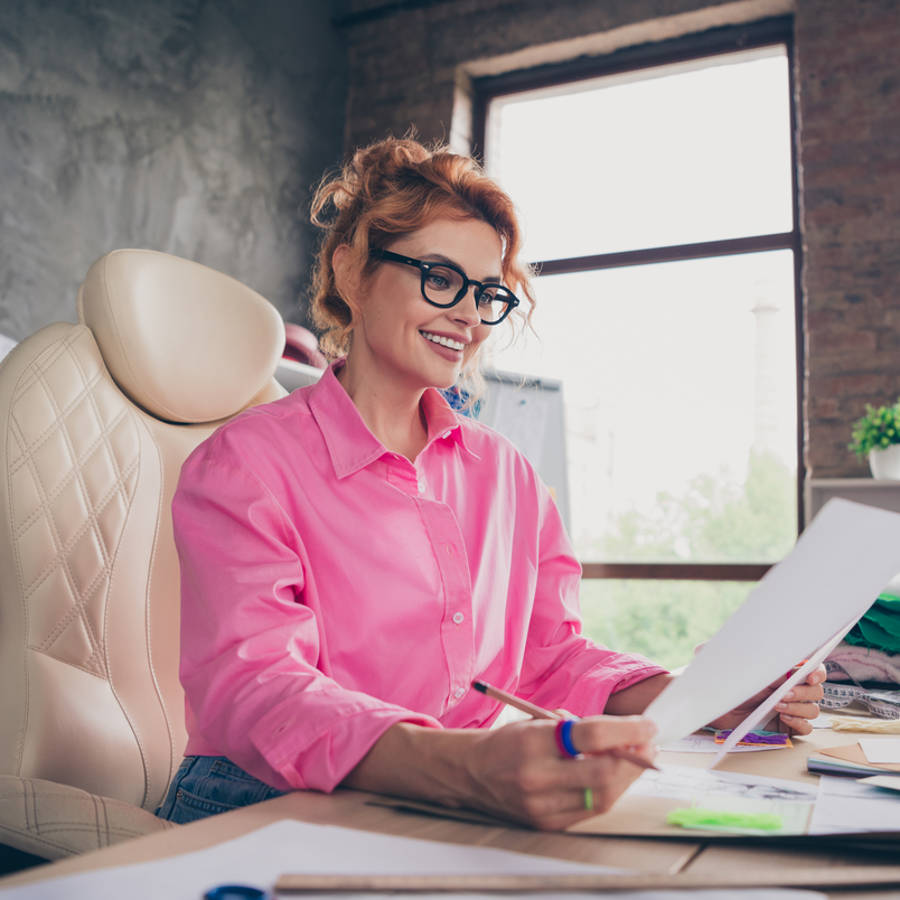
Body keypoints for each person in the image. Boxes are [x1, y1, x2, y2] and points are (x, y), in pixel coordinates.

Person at [156, 137, 824, 831]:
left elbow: (549, 655)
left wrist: (699, 696)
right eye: (440, 279)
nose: (470, 317)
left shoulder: (507, 474)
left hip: (436, 790)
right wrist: (465, 766)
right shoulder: (244, 464)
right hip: (256, 796)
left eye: (486, 294)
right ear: (351, 270)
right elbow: (258, 689)